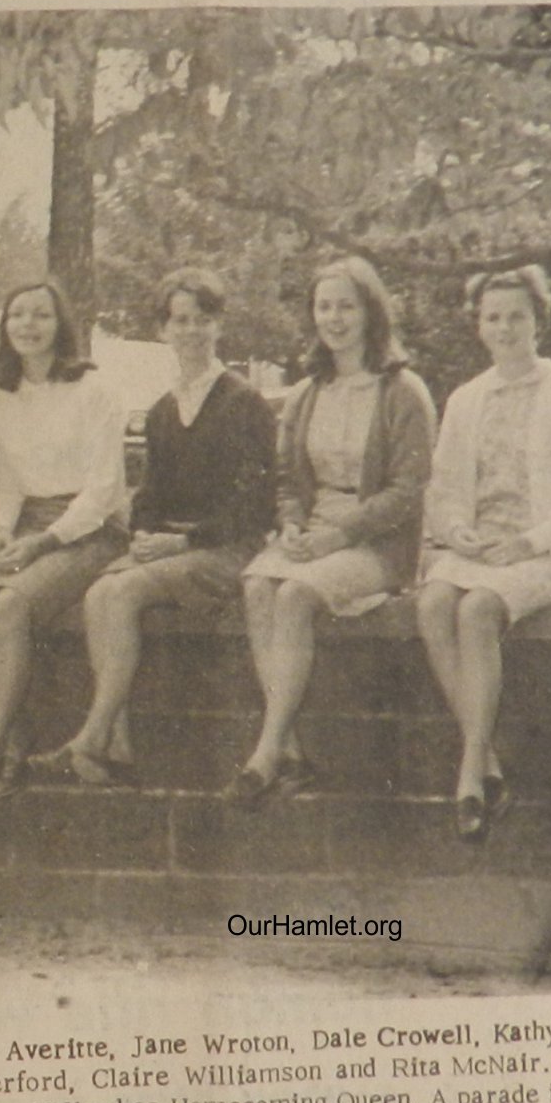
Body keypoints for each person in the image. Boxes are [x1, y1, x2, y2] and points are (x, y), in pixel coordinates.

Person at [33, 268, 276, 787]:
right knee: (100, 593)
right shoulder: (165, 409)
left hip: (227, 551)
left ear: (219, 325)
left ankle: (88, 739)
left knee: (119, 594)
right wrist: (144, 532)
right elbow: (151, 494)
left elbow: (255, 506)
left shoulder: (243, 402)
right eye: (179, 320)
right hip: (173, 550)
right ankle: (113, 741)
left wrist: (184, 540)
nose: (190, 331)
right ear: (163, 330)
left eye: (202, 319)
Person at [226, 256, 436, 807]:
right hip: (312, 532)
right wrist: (293, 523)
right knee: (257, 586)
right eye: (324, 306)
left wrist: (335, 537)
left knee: (294, 594)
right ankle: (289, 751)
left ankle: (265, 751)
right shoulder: (306, 392)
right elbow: (287, 479)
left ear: (371, 312)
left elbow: (408, 490)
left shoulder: (403, 391)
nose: (334, 318)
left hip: (376, 543)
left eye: (347, 305)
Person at [418, 265, 551, 840]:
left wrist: (530, 541)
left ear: (539, 323)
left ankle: (469, 774)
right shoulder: (466, 399)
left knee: (477, 610)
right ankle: (490, 764)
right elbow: (445, 488)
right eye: (493, 317)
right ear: (479, 326)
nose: (505, 328)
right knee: (432, 604)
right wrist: (457, 531)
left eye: (517, 316)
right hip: (483, 548)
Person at [0, 278, 129, 821]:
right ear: (5, 327)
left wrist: (43, 541)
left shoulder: (94, 389)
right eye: (17, 315)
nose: (28, 325)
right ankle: (14, 726)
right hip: (24, 523)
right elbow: (5, 478)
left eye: (41, 315)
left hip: (88, 530)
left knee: (12, 603)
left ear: (60, 324)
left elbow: (102, 491)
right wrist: (1, 530)